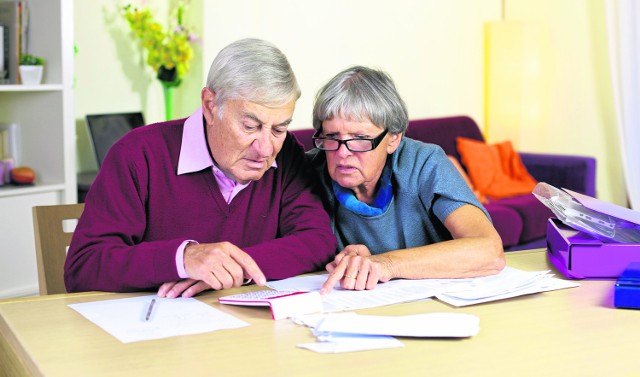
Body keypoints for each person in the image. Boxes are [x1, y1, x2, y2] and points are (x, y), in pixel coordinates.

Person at [64, 38, 337, 298]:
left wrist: (232, 267)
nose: (266, 149)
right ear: (210, 105)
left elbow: (317, 240)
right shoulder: (138, 154)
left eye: (279, 128)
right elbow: (84, 265)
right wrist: (182, 259)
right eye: (250, 126)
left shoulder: (288, 153)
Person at [306, 66, 506, 294]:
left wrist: (386, 263)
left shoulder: (424, 163)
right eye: (331, 137)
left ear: (393, 139)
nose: (342, 153)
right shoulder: (310, 169)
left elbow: (489, 251)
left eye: (360, 139)